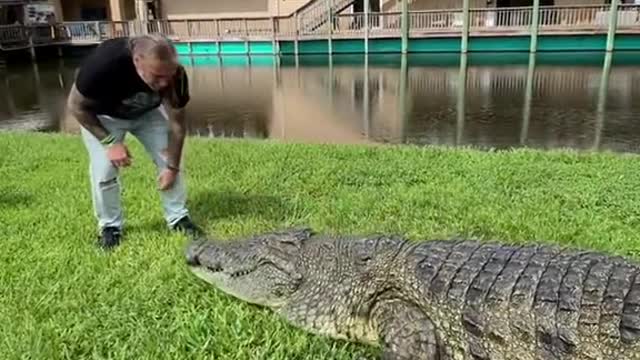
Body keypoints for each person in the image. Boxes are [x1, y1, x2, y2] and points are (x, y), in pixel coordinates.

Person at [66, 33, 203, 250]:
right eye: (157, 76)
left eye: (168, 75)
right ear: (137, 60)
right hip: (104, 117)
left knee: (170, 158)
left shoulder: (176, 76)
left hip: (147, 115)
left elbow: (177, 126)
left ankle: (178, 218)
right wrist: (110, 142)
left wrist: (172, 167)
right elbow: (76, 107)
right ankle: (110, 226)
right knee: (103, 171)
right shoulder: (104, 64)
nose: (164, 82)